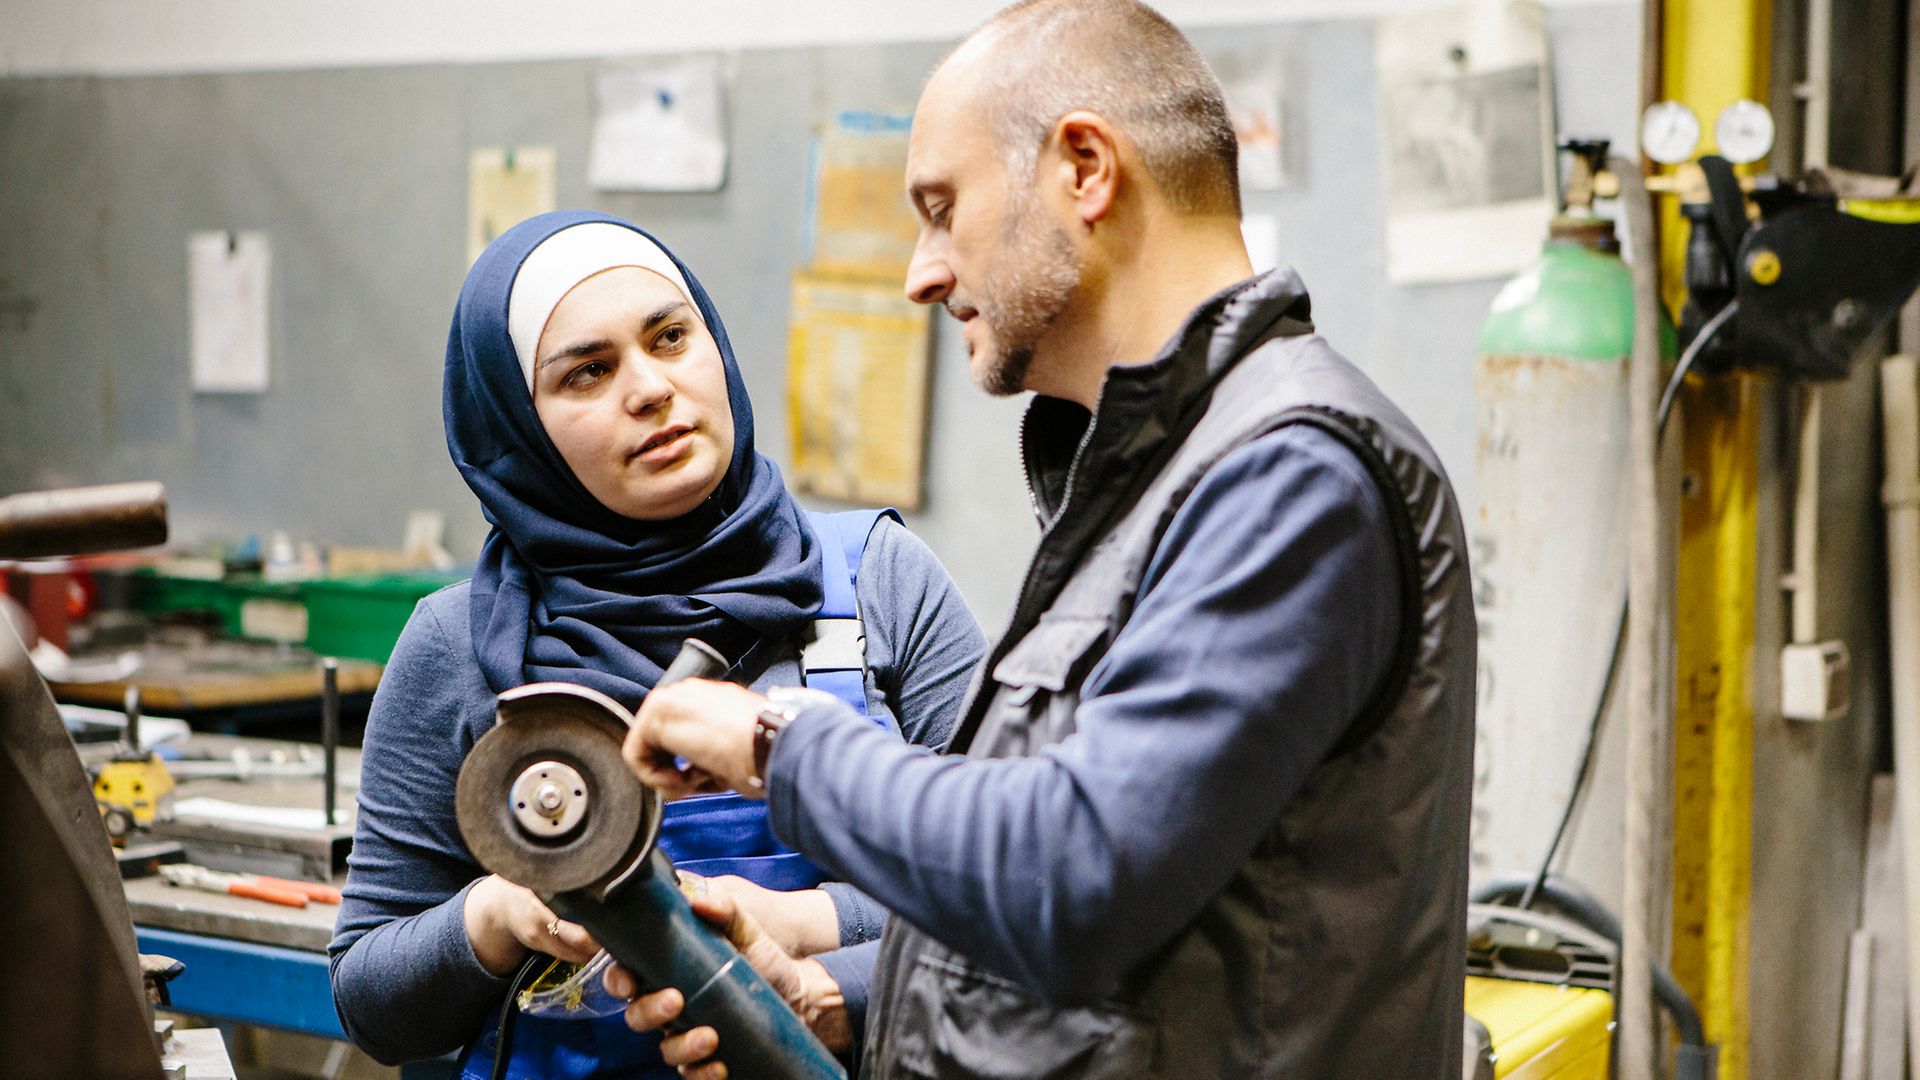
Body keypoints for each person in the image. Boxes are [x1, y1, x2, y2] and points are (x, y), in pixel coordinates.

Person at [613, 1, 1478, 1078]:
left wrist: (774, 743)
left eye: (942, 209)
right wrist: (839, 995)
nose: (921, 273)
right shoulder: (1147, 476)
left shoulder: (1286, 476)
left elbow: (1073, 872)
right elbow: (1150, 930)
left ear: (1084, 168)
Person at [326, 210, 986, 1079]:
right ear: (517, 432)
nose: (649, 388)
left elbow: (1016, 894)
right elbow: (373, 1003)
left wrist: (813, 927)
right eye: (587, 373)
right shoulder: (459, 646)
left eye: (671, 337)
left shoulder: (878, 583)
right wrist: (495, 914)